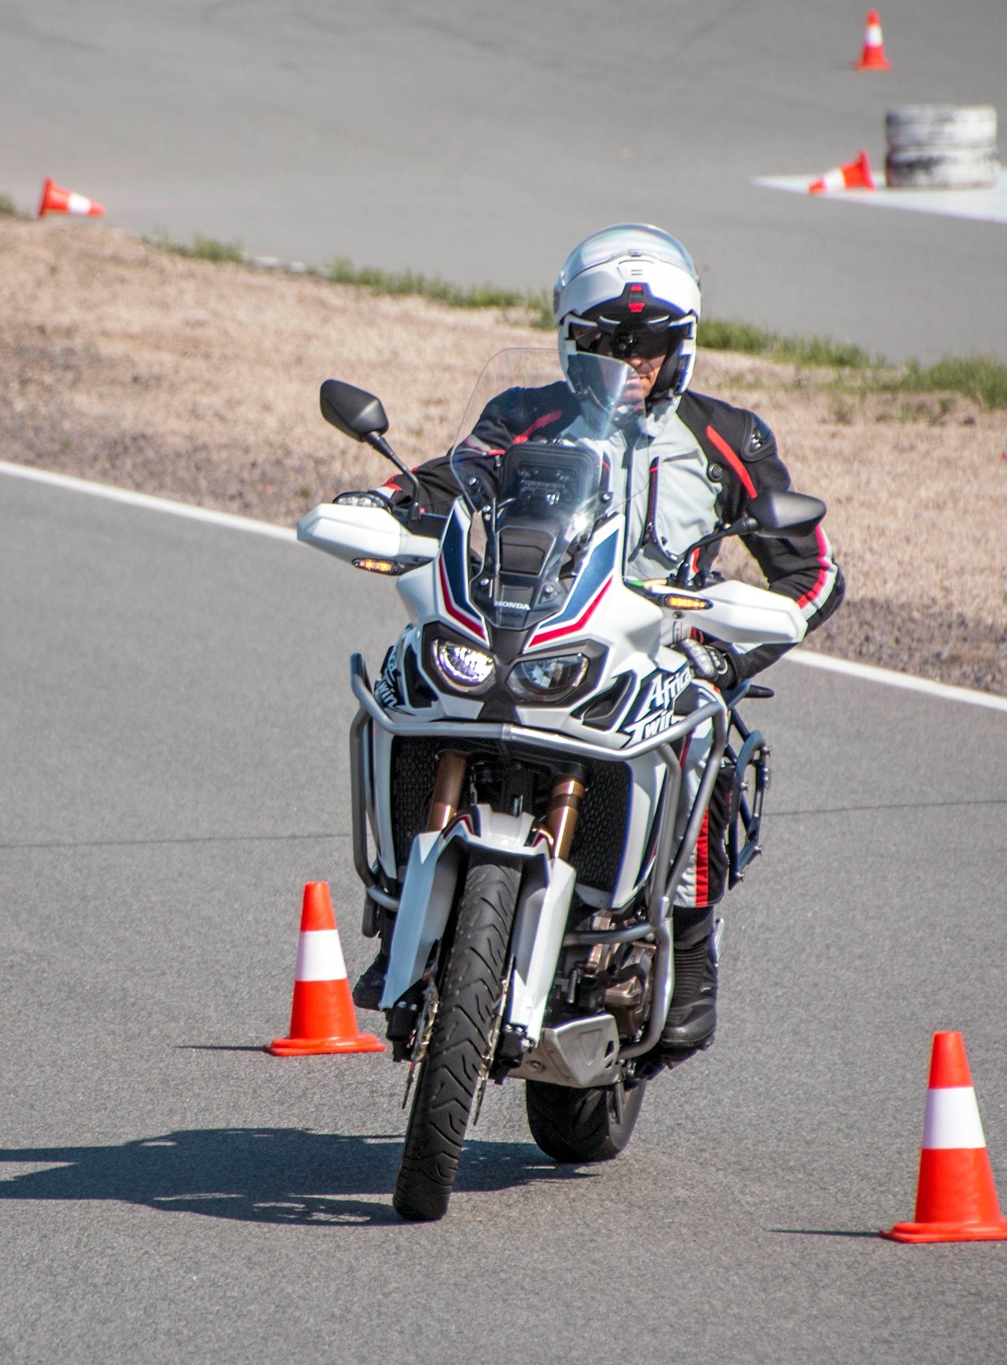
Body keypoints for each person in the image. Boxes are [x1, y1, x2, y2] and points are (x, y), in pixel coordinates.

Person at [349, 224, 844, 1053]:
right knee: (406, 673)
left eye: (649, 343)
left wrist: (726, 652)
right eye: (607, 339)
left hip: (656, 649)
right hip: (528, 625)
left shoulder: (730, 438)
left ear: (681, 345)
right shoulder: (521, 413)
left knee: (705, 732)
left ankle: (684, 946)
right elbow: (450, 481)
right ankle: (400, 905)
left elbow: (814, 571)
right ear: (570, 339)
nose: (630, 359)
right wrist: (382, 499)